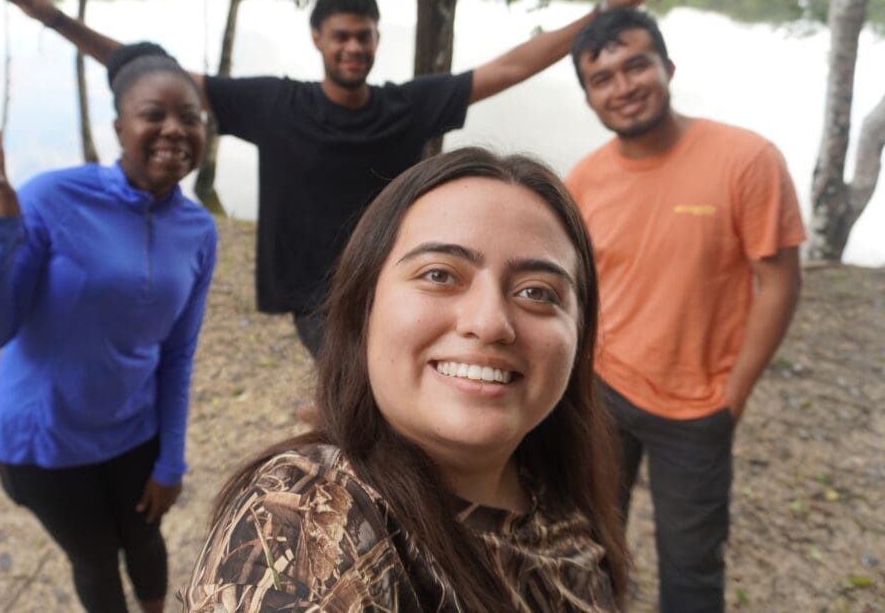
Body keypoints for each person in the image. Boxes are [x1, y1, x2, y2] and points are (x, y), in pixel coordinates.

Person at [0, 0, 677, 358]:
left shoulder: (405, 106)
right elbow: (154, 72)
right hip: (313, 297)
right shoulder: (274, 104)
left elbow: (513, 65)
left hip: (391, 280)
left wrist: (613, 8)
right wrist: (50, 16)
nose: (352, 47)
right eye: (340, 35)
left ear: (376, 40)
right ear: (318, 39)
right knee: (364, 382)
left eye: (363, 36)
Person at [178, 147, 629, 611]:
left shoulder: (559, 488)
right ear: (364, 308)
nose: (490, 323)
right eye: (439, 275)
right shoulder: (308, 524)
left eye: (537, 291)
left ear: (579, 332)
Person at [0, 42, 218, 613]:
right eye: (154, 115)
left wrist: (171, 460)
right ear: (120, 128)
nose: (175, 129)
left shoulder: (198, 230)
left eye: (190, 117)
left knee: (144, 538)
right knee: (96, 559)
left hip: (135, 431)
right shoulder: (53, 197)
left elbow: (177, 353)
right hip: (45, 441)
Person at [565, 8, 805, 612]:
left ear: (667, 67)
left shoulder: (747, 159)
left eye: (636, 66)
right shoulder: (584, 182)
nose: (623, 87)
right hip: (603, 391)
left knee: (692, 568)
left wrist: (734, 395)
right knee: (588, 547)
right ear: (588, 98)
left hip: (698, 407)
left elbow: (778, 281)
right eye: (602, 79)